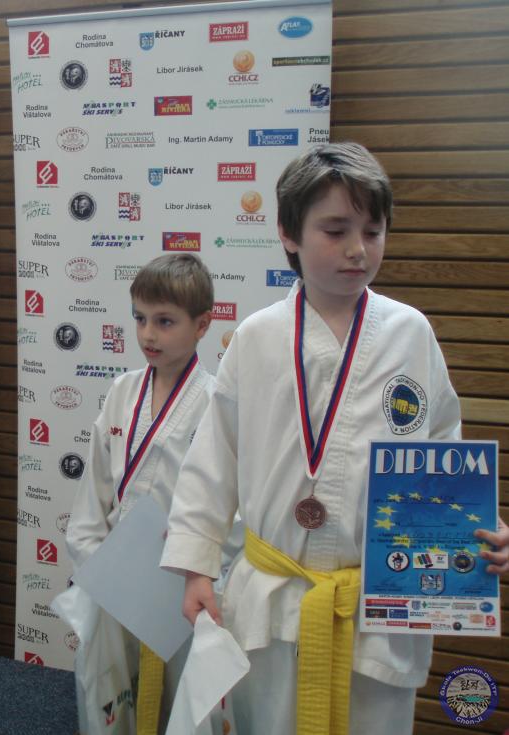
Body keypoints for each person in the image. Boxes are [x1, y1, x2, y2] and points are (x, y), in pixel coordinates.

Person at [160, 142, 509, 734]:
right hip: (274, 594)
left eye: (373, 231)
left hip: (381, 596)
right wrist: (197, 568)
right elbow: (214, 457)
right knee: (267, 721)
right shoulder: (257, 337)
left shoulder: (411, 334)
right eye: (336, 229)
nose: (357, 249)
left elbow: (444, 453)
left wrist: (475, 526)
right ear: (288, 233)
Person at [65, 253, 221, 734]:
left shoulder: (216, 402)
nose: (148, 334)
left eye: (165, 321)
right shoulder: (122, 391)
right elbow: (95, 492)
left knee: (179, 704)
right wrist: (95, 561)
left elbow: (224, 506)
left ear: (202, 325)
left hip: (177, 582)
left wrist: (198, 566)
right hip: (114, 574)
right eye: (140, 318)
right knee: (111, 695)